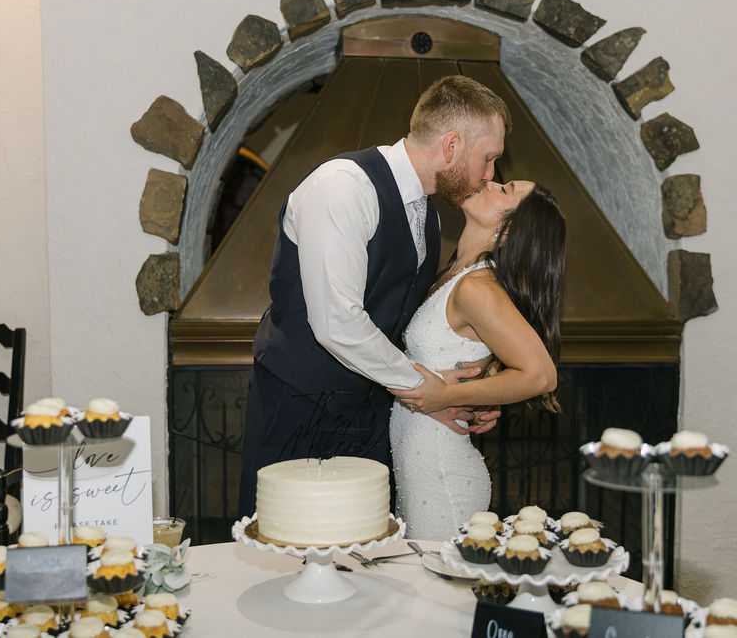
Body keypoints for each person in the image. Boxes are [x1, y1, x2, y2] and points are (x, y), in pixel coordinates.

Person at [238, 76, 512, 515]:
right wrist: (429, 390)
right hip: (299, 408)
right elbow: (336, 323)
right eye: (489, 158)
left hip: (372, 414)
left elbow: (408, 323)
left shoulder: (429, 217)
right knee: (289, 550)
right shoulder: (342, 186)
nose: (489, 175)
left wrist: (468, 390)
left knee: (366, 561)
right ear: (452, 145)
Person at [389, 180, 566, 540]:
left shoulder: (477, 287)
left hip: (442, 475)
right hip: (422, 467)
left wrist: (448, 396)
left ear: (506, 229)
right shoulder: (455, 274)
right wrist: (483, 388)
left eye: (505, 189)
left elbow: (541, 375)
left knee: (438, 591)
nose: (490, 181)